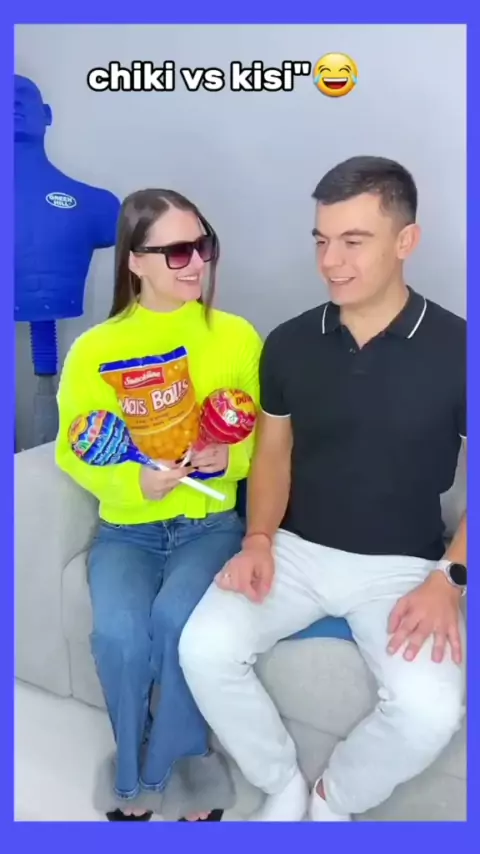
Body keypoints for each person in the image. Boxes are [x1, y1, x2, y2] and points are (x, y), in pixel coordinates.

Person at [179, 156, 467, 822]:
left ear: (406, 241)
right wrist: (258, 539)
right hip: (295, 550)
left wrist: (450, 578)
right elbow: (272, 455)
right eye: (321, 240)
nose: (330, 262)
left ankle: (334, 799)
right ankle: (281, 782)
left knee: (429, 712)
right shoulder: (288, 343)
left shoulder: (461, 349)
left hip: (403, 566)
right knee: (203, 648)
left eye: (353, 241)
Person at [55, 188, 262, 821]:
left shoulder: (235, 336)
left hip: (210, 526)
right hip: (128, 531)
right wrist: (134, 485)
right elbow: (73, 448)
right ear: (134, 261)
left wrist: (228, 459)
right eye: (176, 252)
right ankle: (134, 768)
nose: (196, 263)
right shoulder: (96, 349)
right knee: (119, 634)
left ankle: (174, 766)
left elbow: (262, 438)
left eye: (202, 246)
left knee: (178, 622)